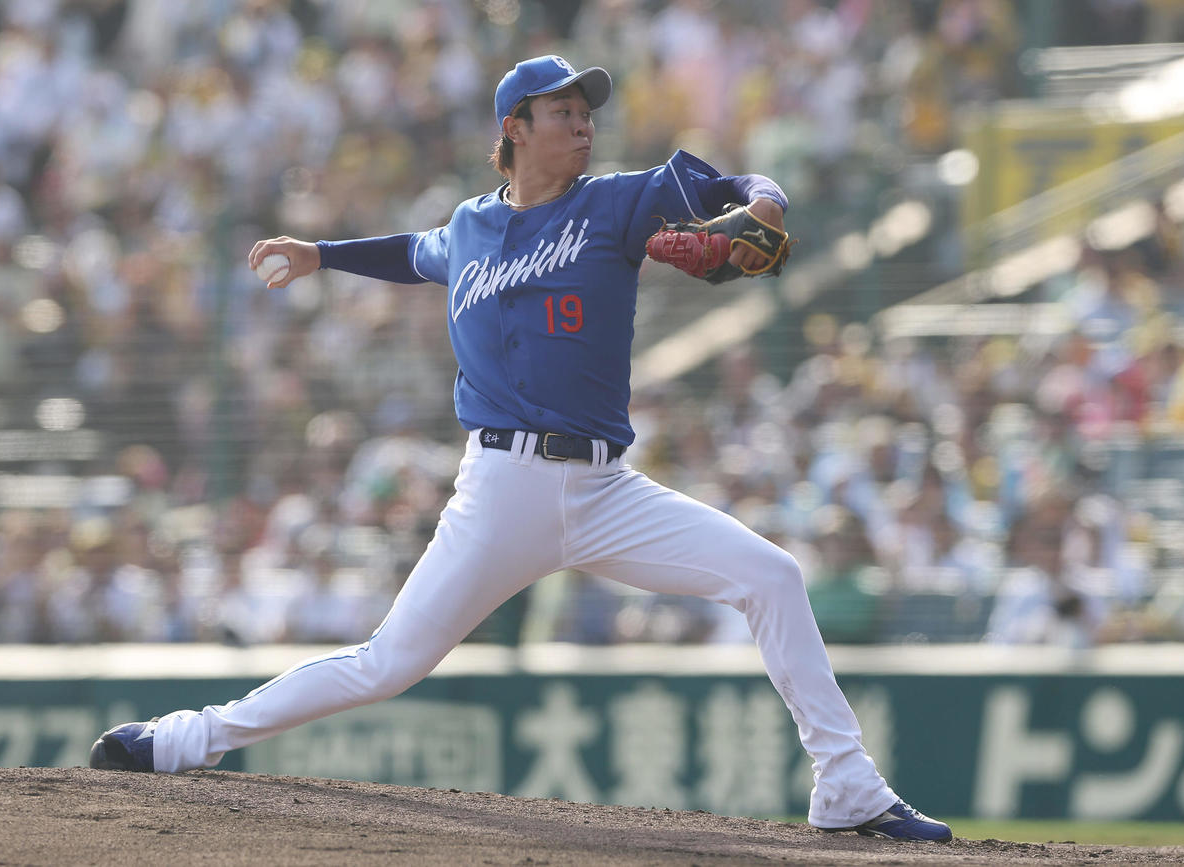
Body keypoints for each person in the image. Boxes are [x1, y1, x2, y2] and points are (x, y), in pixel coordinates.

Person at [89, 55, 951, 843]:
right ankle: (183, 738)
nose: (582, 124)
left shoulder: (617, 202)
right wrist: (321, 253)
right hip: (502, 489)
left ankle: (847, 784)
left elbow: (740, 183)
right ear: (515, 128)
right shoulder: (469, 226)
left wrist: (763, 207)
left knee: (773, 576)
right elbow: (414, 253)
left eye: (586, 112)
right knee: (386, 663)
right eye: (563, 111)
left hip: (608, 491)